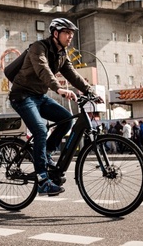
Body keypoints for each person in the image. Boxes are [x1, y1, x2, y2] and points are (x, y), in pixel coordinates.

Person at [8, 18, 100, 196]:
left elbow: (72, 75)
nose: (70, 36)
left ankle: (46, 153)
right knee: (41, 130)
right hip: (22, 96)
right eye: (67, 32)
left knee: (66, 120)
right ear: (56, 33)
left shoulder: (62, 54)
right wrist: (58, 88)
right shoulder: (38, 47)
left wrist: (90, 91)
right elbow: (43, 69)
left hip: (39, 96)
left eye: (72, 34)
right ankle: (42, 180)